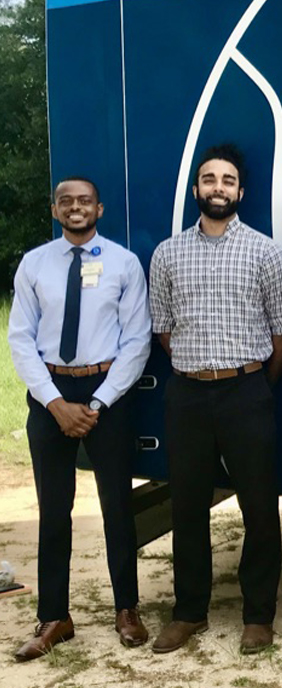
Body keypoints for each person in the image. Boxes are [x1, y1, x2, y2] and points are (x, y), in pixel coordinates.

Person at [148, 144, 282, 655]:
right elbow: (163, 329)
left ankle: (258, 617)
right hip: (187, 393)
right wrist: (200, 367)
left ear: (241, 191)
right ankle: (188, 612)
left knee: (260, 509)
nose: (218, 187)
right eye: (208, 179)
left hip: (247, 392)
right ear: (196, 189)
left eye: (227, 180)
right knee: (187, 507)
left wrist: (253, 382)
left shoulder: (266, 252)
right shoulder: (168, 254)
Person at [8, 177, 152, 661]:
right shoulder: (34, 265)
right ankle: (55, 617)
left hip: (106, 394)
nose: (75, 207)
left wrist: (98, 403)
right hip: (50, 395)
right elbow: (20, 339)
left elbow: (137, 341)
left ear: (100, 208)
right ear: (54, 209)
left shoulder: (124, 264)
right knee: (54, 508)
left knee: (117, 505)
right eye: (66, 201)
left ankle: (127, 610)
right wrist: (54, 403)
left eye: (84, 201)